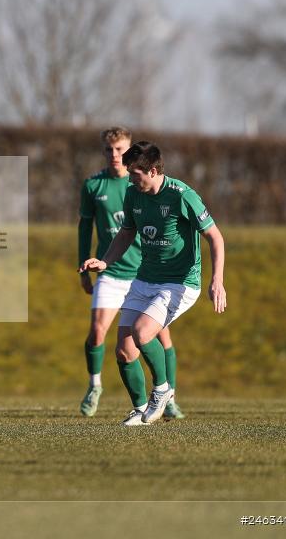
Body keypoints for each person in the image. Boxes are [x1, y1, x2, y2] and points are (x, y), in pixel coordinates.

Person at [80, 141, 226, 426]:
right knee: (123, 350)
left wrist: (217, 280)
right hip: (145, 278)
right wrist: (105, 262)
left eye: (135, 174)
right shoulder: (134, 195)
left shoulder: (183, 196)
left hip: (179, 283)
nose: (131, 180)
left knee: (142, 333)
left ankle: (162, 390)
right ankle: (139, 408)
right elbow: (125, 234)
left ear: (154, 171)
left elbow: (215, 237)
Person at [77, 128, 184, 419]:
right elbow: (86, 227)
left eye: (121, 150)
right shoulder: (94, 186)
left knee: (160, 336)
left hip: (145, 273)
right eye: (110, 150)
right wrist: (84, 266)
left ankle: (168, 396)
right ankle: (95, 386)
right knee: (99, 332)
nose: (115, 156)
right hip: (111, 272)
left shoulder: (147, 186)